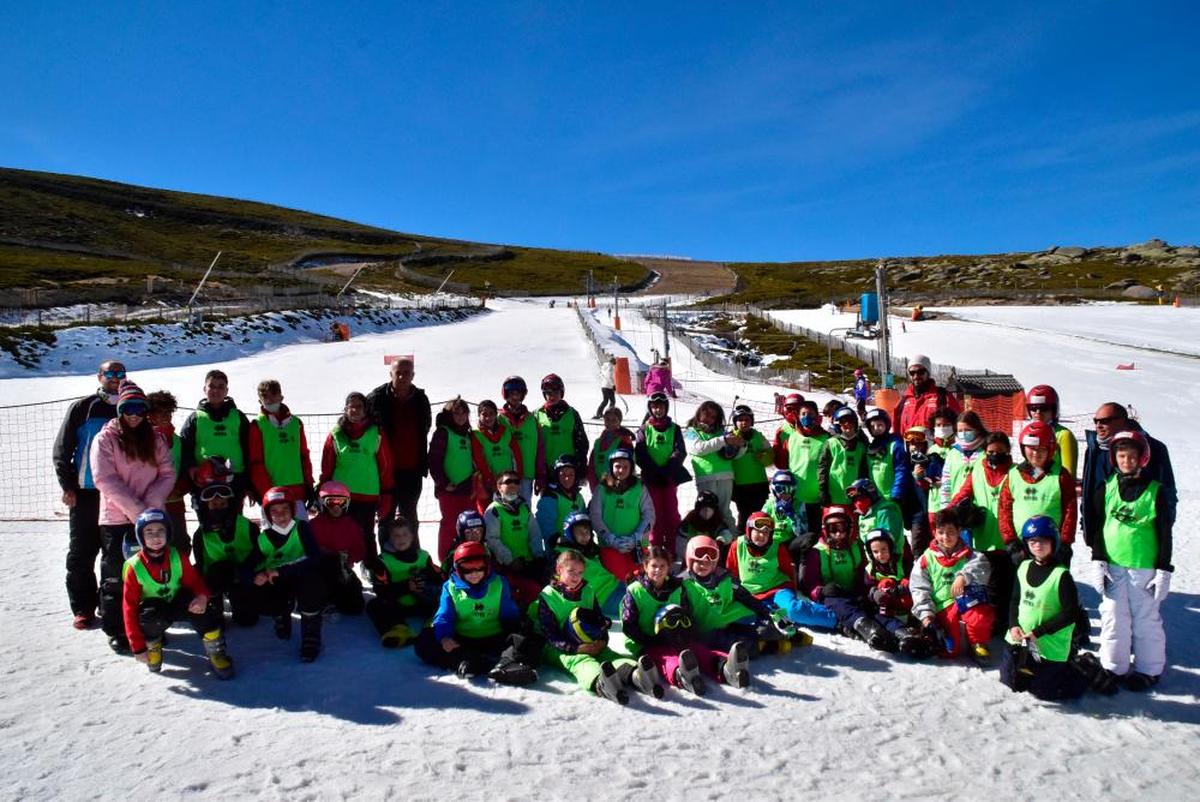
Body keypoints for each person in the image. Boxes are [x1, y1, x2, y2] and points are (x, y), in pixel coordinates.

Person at [89, 380, 176, 653]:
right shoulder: (106, 438)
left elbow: (167, 473)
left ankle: (151, 625)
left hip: (151, 517)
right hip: (117, 517)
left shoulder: (156, 438)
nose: (134, 415)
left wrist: (151, 505)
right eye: (128, 409)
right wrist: (138, 511)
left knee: (151, 574)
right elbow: (104, 478)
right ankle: (116, 628)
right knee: (117, 574)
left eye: (139, 408)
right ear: (120, 411)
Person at [1088, 430, 1174, 691]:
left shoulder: (1155, 491)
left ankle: (1149, 669)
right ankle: (1115, 667)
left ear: (1142, 458)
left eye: (1132, 456)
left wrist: (1163, 569)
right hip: (1113, 566)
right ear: (1115, 458)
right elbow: (1098, 527)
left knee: (1145, 618)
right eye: (1121, 456)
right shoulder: (1107, 488)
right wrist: (1097, 559)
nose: (1126, 461)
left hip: (1143, 568)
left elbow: (1164, 533)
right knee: (1114, 617)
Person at [531, 549, 662, 704]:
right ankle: (600, 682)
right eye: (571, 571)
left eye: (580, 572)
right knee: (582, 662)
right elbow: (550, 633)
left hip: (588, 640)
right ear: (559, 570)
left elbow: (599, 620)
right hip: (559, 646)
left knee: (609, 655)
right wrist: (575, 648)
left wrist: (602, 641)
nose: (576, 576)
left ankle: (636, 675)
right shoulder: (548, 596)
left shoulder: (587, 591)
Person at [121, 509, 233, 678]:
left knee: (202, 608)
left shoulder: (176, 556)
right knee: (149, 616)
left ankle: (216, 651)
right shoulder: (134, 567)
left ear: (168, 533)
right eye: (149, 532)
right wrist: (138, 647)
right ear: (140, 536)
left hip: (177, 603)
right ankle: (153, 644)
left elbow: (195, 582)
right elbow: (128, 608)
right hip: (155, 610)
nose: (155, 537)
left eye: (160, 530)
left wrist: (202, 597)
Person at [53, 359, 122, 629]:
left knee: (114, 554)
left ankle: (110, 605)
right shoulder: (83, 408)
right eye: (110, 373)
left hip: (117, 493)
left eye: (120, 373)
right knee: (81, 553)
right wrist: (67, 485)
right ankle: (83, 607)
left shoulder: (131, 407)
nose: (116, 377)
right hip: (85, 493)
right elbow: (63, 449)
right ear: (99, 376)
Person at [622, 546, 746, 695]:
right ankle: (682, 675)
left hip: (673, 634)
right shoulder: (635, 591)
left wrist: (686, 632)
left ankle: (724, 667)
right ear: (645, 566)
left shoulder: (676, 588)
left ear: (668, 567)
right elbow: (628, 626)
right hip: (645, 641)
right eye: (654, 566)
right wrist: (650, 640)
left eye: (662, 566)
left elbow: (686, 612)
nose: (658, 570)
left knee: (696, 650)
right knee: (665, 657)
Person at [413, 541, 539, 684]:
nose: (474, 573)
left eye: (479, 568)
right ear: (458, 569)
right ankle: (467, 662)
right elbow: (444, 615)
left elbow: (509, 614)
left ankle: (505, 663)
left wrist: (518, 632)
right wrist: (444, 637)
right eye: (467, 569)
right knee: (424, 641)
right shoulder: (450, 587)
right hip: (462, 641)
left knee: (531, 638)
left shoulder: (499, 583)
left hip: (495, 637)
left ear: (487, 566)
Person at [1000, 517, 1096, 700]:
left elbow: (1070, 614)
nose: (1037, 545)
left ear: (1053, 541)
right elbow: (1014, 600)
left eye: (1043, 540)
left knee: (1045, 692)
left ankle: (1083, 668)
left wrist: (1039, 632)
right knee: (1009, 679)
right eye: (1032, 541)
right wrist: (1013, 625)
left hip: (1048, 646)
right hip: (1019, 640)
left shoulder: (1061, 575)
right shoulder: (1023, 566)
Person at [1081, 402, 1176, 560]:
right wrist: (1087, 524)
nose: (1098, 425)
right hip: (1103, 541)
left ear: (1122, 421)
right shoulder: (1093, 449)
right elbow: (1088, 490)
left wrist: (1163, 534)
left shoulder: (1155, 449)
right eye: (1095, 421)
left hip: (1141, 544)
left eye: (1105, 420)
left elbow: (1168, 495)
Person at [245, 487, 328, 662]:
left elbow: (314, 558)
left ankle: (311, 634)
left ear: (293, 510)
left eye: (285, 509)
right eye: (274, 511)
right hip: (278, 582)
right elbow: (247, 565)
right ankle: (280, 615)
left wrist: (282, 570)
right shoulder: (264, 538)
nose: (280, 515)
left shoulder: (302, 528)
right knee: (261, 593)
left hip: (301, 576)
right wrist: (255, 576)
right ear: (267, 514)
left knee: (312, 583)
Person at [796, 508, 896, 650]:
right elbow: (810, 583)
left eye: (842, 528)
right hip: (832, 597)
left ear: (849, 528)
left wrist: (871, 590)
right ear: (826, 530)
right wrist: (822, 591)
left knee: (870, 606)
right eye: (833, 529)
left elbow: (865, 573)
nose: (838, 533)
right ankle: (865, 627)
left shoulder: (857, 547)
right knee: (842, 605)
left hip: (854, 592)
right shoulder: (817, 552)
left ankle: (900, 632)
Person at [731, 511, 839, 634]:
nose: (762, 536)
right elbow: (732, 573)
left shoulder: (777, 547)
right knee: (738, 618)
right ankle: (776, 619)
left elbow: (788, 571)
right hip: (750, 595)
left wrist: (790, 596)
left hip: (776, 590)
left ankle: (837, 619)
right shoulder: (737, 546)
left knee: (793, 610)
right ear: (749, 531)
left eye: (766, 532)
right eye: (758, 531)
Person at [910, 507, 994, 661]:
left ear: (959, 531)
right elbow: (918, 588)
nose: (945, 537)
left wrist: (963, 576)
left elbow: (982, 566)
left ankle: (978, 643)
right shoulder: (926, 559)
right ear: (934, 532)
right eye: (941, 532)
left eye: (950, 532)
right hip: (942, 606)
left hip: (965, 600)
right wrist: (927, 617)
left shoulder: (969, 553)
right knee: (950, 650)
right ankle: (932, 637)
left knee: (979, 615)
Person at [950, 432, 1014, 630]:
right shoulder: (978, 468)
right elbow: (964, 492)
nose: (995, 455)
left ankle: (1003, 622)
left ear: (1008, 452)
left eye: (1000, 452)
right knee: (984, 582)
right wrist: (955, 509)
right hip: (983, 536)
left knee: (1005, 585)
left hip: (1006, 540)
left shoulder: (1014, 472)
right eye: (991, 452)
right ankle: (987, 620)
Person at [319, 392, 393, 562]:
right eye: (351, 406)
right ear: (345, 409)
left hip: (368, 494)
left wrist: (387, 494)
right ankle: (341, 566)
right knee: (341, 532)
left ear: (366, 409)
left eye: (359, 406)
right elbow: (327, 467)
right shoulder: (336, 434)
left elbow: (386, 466)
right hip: (340, 497)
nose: (355, 410)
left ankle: (370, 567)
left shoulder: (376, 433)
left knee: (366, 534)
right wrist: (322, 489)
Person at [681, 535, 777, 663]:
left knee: (763, 628)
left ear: (714, 563)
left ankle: (784, 635)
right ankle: (758, 647)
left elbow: (745, 596)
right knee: (725, 641)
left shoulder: (725, 578)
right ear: (690, 561)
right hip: (705, 630)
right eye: (699, 562)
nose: (704, 566)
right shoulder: (683, 585)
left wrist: (764, 611)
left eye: (708, 563)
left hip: (728, 621)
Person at [366, 357, 432, 534]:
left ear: (413, 375)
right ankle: (386, 558)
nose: (402, 377)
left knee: (410, 517)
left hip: (412, 471)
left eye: (407, 373)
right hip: (384, 472)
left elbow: (425, 426)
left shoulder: (420, 399)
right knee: (385, 517)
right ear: (390, 374)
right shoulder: (376, 399)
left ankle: (412, 556)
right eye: (398, 373)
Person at [191, 457, 258, 627]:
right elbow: (200, 566)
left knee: (248, 620)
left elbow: (260, 554)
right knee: (215, 573)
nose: (218, 507)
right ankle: (216, 606)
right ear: (206, 507)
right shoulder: (201, 534)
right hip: (216, 579)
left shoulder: (248, 527)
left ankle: (240, 600)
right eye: (213, 504)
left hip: (243, 576)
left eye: (222, 503)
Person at [998, 421, 1077, 561]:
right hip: (1021, 545)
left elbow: (1070, 511)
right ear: (1023, 448)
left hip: (1051, 545)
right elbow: (1004, 508)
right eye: (1031, 448)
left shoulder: (1061, 476)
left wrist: (1065, 542)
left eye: (1041, 449)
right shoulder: (1014, 475)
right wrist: (1010, 539)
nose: (1035, 453)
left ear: (1050, 449)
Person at [366, 516, 441, 648]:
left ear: (412, 537)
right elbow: (381, 591)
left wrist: (426, 581)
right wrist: (407, 586)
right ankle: (398, 630)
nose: (401, 539)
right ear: (389, 538)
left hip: (422, 602)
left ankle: (435, 625)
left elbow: (439, 578)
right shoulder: (383, 561)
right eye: (396, 535)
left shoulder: (423, 556)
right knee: (375, 605)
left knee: (444, 598)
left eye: (405, 534)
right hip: (397, 604)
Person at [180, 369, 251, 506]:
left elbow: (249, 448)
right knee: (207, 525)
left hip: (235, 479)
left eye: (220, 387)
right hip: (204, 480)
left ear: (226, 391)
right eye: (212, 386)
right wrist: (192, 470)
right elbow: (185, 448)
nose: (216, 390)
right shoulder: (195, 418)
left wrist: (249, 484)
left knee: (233, 523)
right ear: (204, 389)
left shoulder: (238, 417)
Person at [247, 379, 315, 515]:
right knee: (275, 534)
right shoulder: (257, 425)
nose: (270, 399)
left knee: (300, 533)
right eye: (265, 396)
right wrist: (265, 491)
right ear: (259, 400)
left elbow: (304, 456)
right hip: (272, 493)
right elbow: (255, 462)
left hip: (297, 491)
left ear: (281, 396)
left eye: (273, 394)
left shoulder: (296, 423)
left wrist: (308, 484)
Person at [590, 448, 655, 581]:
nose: (621, 470)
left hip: (636, 547)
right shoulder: (601, 488)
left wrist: (636, 537)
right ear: (610, 466)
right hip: (610, 546)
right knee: (616, 583)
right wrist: (609, 538)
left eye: (625, 466)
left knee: (640, 582)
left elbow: (649, 514)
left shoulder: (639, 487)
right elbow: (595, 516)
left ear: (631, 468)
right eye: (617, 466)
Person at [862, 528, 929, 657]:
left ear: (890, 548)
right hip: (887, 608)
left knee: (892, 584)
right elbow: (866, 588)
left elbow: (915, 580)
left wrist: (900, 588)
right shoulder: (870, 569)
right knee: (879, 613)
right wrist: (874, 593)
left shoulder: (902, 563)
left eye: (883, 550)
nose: (880, 555)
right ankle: (901, 633)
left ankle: (922, 632)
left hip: (906, 604)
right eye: (875, 551)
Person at [483, 470, 545, 608]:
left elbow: (534, 534)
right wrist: (510, 560)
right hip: (506, 567)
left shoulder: (525, 508)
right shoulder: (493, 510)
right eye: (507, 482)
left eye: (516, 482)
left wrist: (539, 555)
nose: (512, 485)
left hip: (528, 563)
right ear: (499, 487)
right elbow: (492, 539)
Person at [634, 392, 690, 546]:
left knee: (671, 514)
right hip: (651, 480)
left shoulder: (674, 428)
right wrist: (654, 471)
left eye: (661, 406)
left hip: (669, 478)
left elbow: (680, 451)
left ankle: (673, 547)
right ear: (650, 409)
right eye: (654, 407)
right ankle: (656, 547)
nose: (658, 410)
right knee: (654, 514)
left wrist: (666, 471)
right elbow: (640, 454)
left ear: (666, 407)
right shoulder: (644, 429)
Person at [428, 397, 478, 560]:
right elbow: (434, 461)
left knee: (467, 525)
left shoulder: (467, 434)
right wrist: (444, 483)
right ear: (450, 415)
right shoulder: (443, 432)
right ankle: (445, 560)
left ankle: (465, 557)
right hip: (450, 488)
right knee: (450, 525)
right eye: (457, 413)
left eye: (464, 413)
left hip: (467, 488)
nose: (461, 416)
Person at [308, 480, 365, 615]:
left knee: (355, 607)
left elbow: (359, 548)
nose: (336, 507)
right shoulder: (313, 525)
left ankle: (336, 597)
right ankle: (323, 598)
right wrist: (321, 553)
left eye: (341, 503)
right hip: (321, 571)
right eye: (331, 502)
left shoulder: (351, 525)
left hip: (342, 570)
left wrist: (350, 559)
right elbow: (306, 549)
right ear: (322, 503)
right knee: (329, 562)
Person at [772, 396, 828, 534]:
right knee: (798, 536)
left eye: (810, 414)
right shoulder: (792, 438)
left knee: (816, 536)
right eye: (803, 414)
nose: (807, 417)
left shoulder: (826, 439)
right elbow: (781, 464)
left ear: (817, 416)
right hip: (796, 498)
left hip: (818, 498)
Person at [553, 511, 623, 615]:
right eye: (580, 532)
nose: (585, 536)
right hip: (602, 598)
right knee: (641, 607)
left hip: (616, 586)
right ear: (570, 533)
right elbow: (558, 584)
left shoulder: (590, 550)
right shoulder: (564, 555)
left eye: (587, 532)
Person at [145, 390, 190, 552]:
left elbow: (186, 470)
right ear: (149, 415)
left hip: (174, 504)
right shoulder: (141, 440)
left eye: (168, 412)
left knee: (180, 546)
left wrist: (180, 489)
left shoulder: (179, 441)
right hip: (148, 506)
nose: (165, 416)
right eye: (159, 412)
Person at [684, 400, 739, 529]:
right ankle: (707, 540)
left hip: (725, 476)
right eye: (706, 414)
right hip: (706, 477)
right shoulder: (692, 432)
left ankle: (731, 541)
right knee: (706, 512)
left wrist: (739, 445)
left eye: (713, 417)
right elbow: (698, 448)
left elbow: (734, 453)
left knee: (725, 512)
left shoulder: (721, 431)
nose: (709, 419)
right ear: (699, 414)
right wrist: (723, 440)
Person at [535, 373, 589, 481]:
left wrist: (581, 468)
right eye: (548, 393)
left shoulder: (572, 414)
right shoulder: (537, 415)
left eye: (556, 392)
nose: (552, 396)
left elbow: (581, 442)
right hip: (547, 470)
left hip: (568, 470)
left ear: (562, 392)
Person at [498, 376, 544, 503]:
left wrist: (540, 475)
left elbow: (539, 449)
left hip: (526, 476)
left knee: (524, 511)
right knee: (504, 510)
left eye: (518, 393)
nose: (515, 397)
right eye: (511, 393)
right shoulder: (499, 419)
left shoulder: (531, 420)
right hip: (505, 476)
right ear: (505, 394)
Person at [471, 399, 523, 509]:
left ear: (496, 415)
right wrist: (490, 481)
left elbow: (516, 456)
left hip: (508, 483)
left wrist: (517, 476)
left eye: (491, 414)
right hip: (488, 485)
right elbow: (479, 461)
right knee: (489, 515)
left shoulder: (505, 432)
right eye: (484, 414)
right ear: (478, 415)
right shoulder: (476, 435)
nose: (488, 418)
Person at [729, 404, 773, 534]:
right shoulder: (731, 437)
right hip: (740, 485)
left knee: (759, 515)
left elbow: (770, 455)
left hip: (759, 483)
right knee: (743, 515)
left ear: (751, 421)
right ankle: (742, 539)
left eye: (747, 420)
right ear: (735, 422)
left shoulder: (759, 437)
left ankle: (760, 539)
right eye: (740, 420)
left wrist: (763, 457)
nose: (744, 423)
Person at [893, 354, 961, 434]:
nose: (916, 376)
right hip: (908, 445)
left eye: (920, 372)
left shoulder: (943, 397)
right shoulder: (904, 401)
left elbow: (958, 425)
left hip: (934, 446)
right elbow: (895, 430)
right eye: (912, 373)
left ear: (928, 373)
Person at [818, 407, 869, 506]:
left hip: (855, 498)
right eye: (842, 421)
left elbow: (864, 471)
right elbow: (822, 468)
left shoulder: (861, 447)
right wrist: (823, 491)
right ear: (838, 425)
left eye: (850, 421)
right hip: (833, 497)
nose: (847, 424)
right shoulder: (831, 443)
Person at [535, 455, 587, 552]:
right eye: (563, 474)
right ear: (556, 476)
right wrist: (558, 540)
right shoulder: (550, 497)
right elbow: (545, 526)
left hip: (579, 547)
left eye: (571, 475)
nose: (567, 479)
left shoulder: (579, 497)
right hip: (558, 551)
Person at [1024, 385, 1078, 479]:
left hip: (1055, 490)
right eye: (1033, 408)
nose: (1038, 412)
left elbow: (1068, 475)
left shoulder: (1063, 435)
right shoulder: (1029, 434)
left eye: (1044, 408)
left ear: (1054, 410)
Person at [939, 411, 988, 511]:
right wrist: (945, 508)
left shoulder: (986, 451)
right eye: (960, 431)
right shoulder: (953, 453)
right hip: (956, 508)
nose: (963, 433)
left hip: (981, 508)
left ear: (977, 429)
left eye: (968, 430)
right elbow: (946, 483)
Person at [862, 408, 909, 505]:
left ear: (886, 425)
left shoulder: (895, 445)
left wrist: (896, 494)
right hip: (875, 497)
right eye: (872, 426)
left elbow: (901, 470)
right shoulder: (870, 448)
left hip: (892, 497)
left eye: (880, 425)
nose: (876, 429)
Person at [676, 490, 735, 559]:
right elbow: (680, 545)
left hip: (713, 558)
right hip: (692, 557)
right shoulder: (688, 523)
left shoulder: (717, 522)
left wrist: (721, 540)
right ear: (697, 509)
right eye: (703, 509)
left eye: (710, 509)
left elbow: (727, 535)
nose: (706, 512)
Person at [845, 478, 904, 545]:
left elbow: (887, 541)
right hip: (872, 554)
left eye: (861, 498)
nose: (858, 503)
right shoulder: (863, 515)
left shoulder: (885, 512)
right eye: (855, 500)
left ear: (871, 495)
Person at [590, 406, 636, 491]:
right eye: (607, 419)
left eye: (614, 420)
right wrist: (594, 485)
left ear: (619, 422)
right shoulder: (598, 442)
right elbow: (592, 466)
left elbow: (628, 467)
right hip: (598, 487)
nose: (610, 423)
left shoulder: (624, 442)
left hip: (617, 488)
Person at [593, 355, 618, 420]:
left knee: (605, 401)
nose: (616, 363)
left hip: (604, 386)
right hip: (608, 386)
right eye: (615, 361)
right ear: (613, 361)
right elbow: (609, 377)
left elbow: (602, 375)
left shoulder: (605, 366)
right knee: (612, 401)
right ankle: (609, 415)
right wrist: (613, 385)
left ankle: (599, 413)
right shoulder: (610, 367)